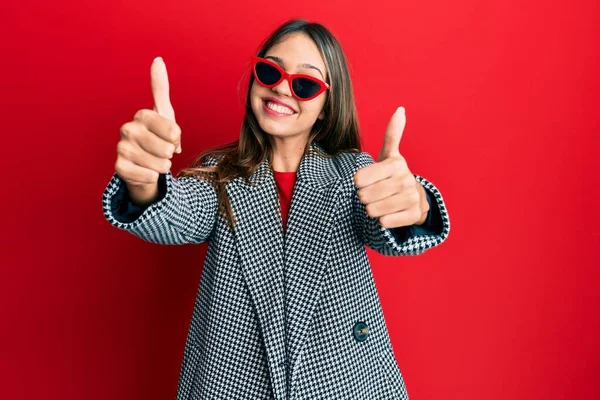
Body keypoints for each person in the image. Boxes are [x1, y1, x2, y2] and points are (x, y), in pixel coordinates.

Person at [102, 18, 450, 400]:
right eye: (270, 70)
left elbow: (385, 223)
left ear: (325, 108)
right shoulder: (219, 174)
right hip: (231, 387)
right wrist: (144, 182)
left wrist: (417, 204)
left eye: (305, 83)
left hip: (348, 384)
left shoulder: (354, 173)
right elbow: (176, 213)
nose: (282, 87)